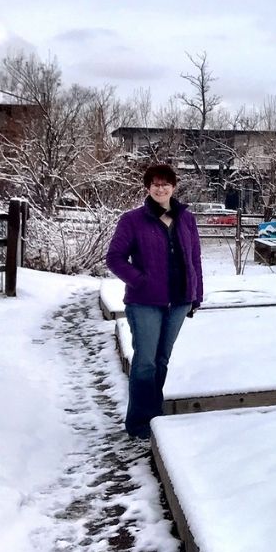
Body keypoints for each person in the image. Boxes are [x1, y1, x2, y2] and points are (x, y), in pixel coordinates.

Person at [106, 164, 204, 439]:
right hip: (145, 302)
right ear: (147, 188)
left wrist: (196, 295)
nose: (160, 189)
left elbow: (195, 258)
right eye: (155, 184)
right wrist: (141, 280)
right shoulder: (132, 220)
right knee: (146, 362)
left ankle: (154, 417)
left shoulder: (186, 218)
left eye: (166, 183)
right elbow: (114, 259)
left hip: (179, 300)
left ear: (174, 186)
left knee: (162, 360)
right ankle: (139, 424)